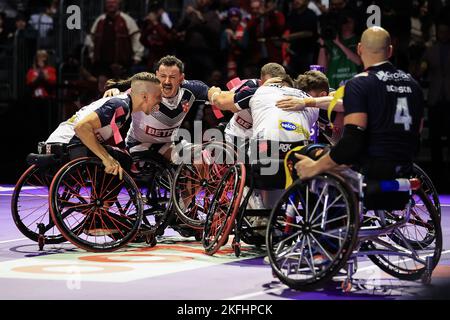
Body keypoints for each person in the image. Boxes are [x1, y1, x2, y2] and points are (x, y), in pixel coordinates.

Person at [295, 26, 424, 209]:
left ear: (359, 49)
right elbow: (417, 130)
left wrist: (316, 167)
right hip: (404, 165)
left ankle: (330, 232)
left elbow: (352, 140)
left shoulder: (360, 83)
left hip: (369, 168)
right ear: (390, 50)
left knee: (309, 153)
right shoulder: (413, 84)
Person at [46, 72, 162, 179]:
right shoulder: (120, 105)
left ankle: (99, 199)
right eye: (158, 96)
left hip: (63, 144)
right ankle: (105, 201)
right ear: (145, 97)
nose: (160, 100)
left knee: (116, 156)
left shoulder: (124, 104)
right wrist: (107, 158)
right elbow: (81, 128)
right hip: (67, 146)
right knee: (123, 159)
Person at [85, 0, 144, 77]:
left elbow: (136, 39)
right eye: (108, 2)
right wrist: (92, 55)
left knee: (122, 88)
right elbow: (90, 39)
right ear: (105, 4)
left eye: (113, 2)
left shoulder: (127, 20)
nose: (111, 4)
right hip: (102, 66)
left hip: (123, 66)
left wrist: (137, 56)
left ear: (118, 3)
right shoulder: (100, 21)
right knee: (103, 88)